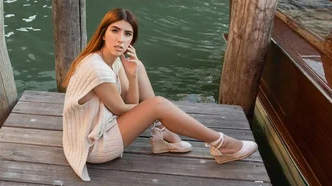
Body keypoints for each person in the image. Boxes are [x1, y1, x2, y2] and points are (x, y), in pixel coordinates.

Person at [62, 8, 258, 181]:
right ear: (103, 33)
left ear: (132, 40)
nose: (120, 39)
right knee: (157, 105)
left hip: (101, 127)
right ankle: (221, 143)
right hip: (93, 146)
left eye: (127, 34)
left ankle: (163, 134)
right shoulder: (97, 68)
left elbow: (129, 101)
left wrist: (133, 75)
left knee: (137, 66)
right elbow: (122, 109)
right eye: (115, 30)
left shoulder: (113, 60)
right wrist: (155, 110)